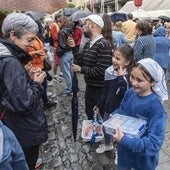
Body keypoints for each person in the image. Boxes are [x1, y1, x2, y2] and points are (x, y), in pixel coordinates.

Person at [0, 13, 48, 170]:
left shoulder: (8, 57)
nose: (32, 44)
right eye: (29, 39)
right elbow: (25, 102)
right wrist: (37, 83)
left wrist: (25, 77)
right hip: (22, 129)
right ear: (13, 35)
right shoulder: (10, 62)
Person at [112, 58, 168, 170]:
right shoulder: (129, 93)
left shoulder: (156, 107)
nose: (133, 82)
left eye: (139, 80)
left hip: (143, 161)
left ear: (153, 82)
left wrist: (124, 140)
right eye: (132, 77)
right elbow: (122, 109)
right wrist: (114, 116)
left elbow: (154, 143)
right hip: (124, 155)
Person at [94, 45, 135, 165]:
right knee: (106, 129)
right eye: (114, 56)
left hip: (120, 112)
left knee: (119, 134)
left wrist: (121, 78)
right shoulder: (109, 71)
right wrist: (99, 104)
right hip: (108, 108)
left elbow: (126, 94)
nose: (113, 60)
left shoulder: (129, 76)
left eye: (118, 58)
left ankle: (119, 152)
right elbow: (105, 91)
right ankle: (107, 144)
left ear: (127, 62)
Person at [68, 14, 113, 120]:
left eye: (85, 24)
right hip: (90, 88)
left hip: (100, 90)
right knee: (90, 115)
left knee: (101, 117)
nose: (82, 27)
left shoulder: (103, 45)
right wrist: (74, 48)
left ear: (92, 25)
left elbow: (101, 71)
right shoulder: (89, 44)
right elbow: (80, 61)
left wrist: (80, 69)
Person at [57, 16, 74, 96]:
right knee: (70, 72)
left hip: (65, 54)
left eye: (59, 22)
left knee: (66, 73)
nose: (58, 23)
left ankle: (68, 90)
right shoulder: (70, 30)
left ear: (62, 22)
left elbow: (62, 45)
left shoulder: (62, 32)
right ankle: (71, 88)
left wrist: (58, 51)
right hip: (70, 53)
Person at [50, 13, 63, 83]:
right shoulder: (53, 25)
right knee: (56, 63)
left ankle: (60, 75)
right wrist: (62, 37)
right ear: (57, 18)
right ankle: (55, 76)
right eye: (60, 17)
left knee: (60, 61)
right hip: (56, 46)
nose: (61, 19)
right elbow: (54, 37)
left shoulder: (57, 25)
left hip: (59, 46)